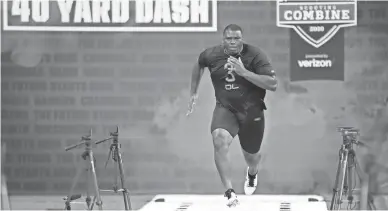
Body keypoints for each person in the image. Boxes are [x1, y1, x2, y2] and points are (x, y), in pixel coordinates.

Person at [187, 24, 278, 207]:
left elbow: (272, 84)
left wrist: (244, 72)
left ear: (241, 39)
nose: (233, 42)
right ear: (223, 40)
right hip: (226, 109)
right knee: (219, 138)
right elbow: (199, 64)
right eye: (229, 38)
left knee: (251, 157)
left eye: (237, 38)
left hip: (252, 112)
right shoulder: (211, 54)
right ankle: (229, 192)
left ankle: (252, 174)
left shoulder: (255, 55)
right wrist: (193, 92)